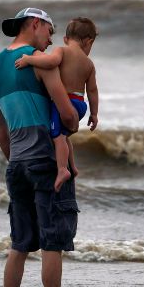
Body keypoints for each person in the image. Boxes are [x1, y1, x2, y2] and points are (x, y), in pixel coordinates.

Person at [0, 7, 80, 287]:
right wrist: (74, 123)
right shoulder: (42, 64)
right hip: (46, 161)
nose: (50, 40)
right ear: (36, 24)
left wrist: (16, 161)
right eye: (49, 31)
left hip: (16, 165)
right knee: (52, 242)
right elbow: (67, 114)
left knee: (19, 244)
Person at [14, 17, 99, 192]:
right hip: (80, 104)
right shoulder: (89, 64)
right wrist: (94, 114)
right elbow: (92, 91)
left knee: (57, 137)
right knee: (64, 136)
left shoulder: (62, 50)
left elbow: (50, 62)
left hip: (65, 102)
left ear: (66, 39)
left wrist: (29, 60)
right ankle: (72, 167)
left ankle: (62, 170)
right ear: (88, 41)